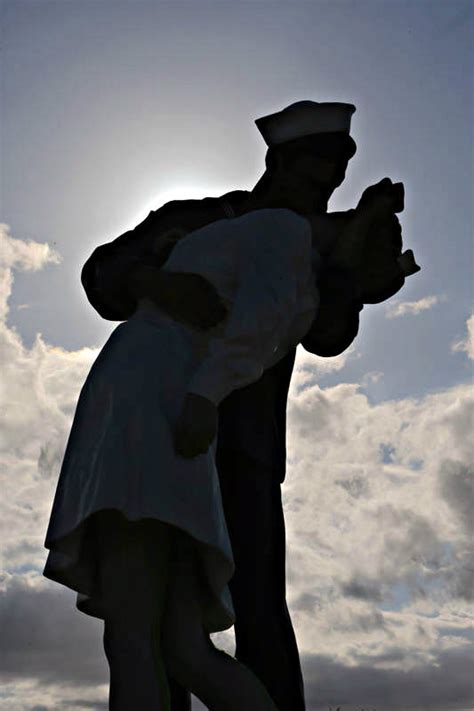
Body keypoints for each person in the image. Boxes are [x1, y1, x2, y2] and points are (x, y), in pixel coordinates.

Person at [74, 101, 417, 710]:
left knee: (255, 611)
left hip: (243, 447)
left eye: (334, 177)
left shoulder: (315, 239)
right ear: (278, 160)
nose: (324, 187)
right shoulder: (197, 217)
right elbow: (103, 274)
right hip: (158, 429)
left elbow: (330, 335)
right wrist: (156, 282)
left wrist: (353, 254)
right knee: (154, 625)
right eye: (314, 172)